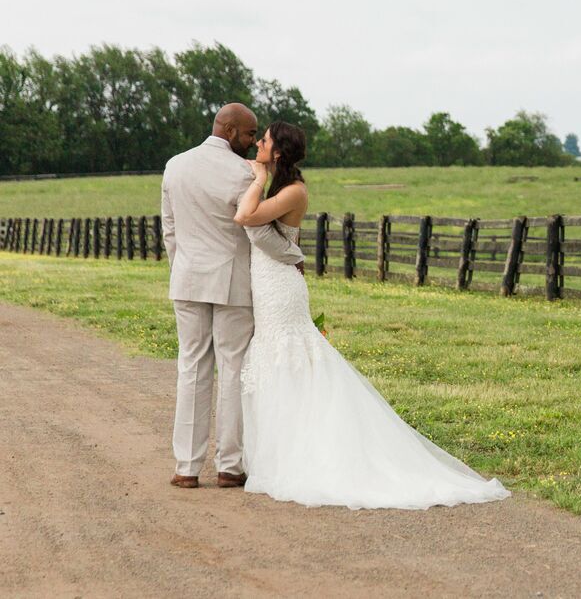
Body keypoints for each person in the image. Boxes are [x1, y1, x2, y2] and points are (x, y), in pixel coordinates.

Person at [234, 121, 509, 509]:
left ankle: (309, 454)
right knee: (272, 361)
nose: (257, 144)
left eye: (263, 142)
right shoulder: (281, 185)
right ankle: (279, 451)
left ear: (277, 153)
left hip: (281, 288)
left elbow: (246, 217)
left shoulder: (294, 191)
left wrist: (258, 177)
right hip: (266, 283)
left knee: (289, 358)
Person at [161, 103, 306, 489]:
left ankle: (186, 468)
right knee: (233, 369)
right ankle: (229, 465)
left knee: (191, 367)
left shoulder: (175, 165)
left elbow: (169, 229)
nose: (252, 141)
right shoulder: (245, 173)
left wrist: (183, 268)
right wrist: (294, 256)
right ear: (229, 131)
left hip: (188, 279)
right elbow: (257, 233)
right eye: (248, 134)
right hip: (232, 284)